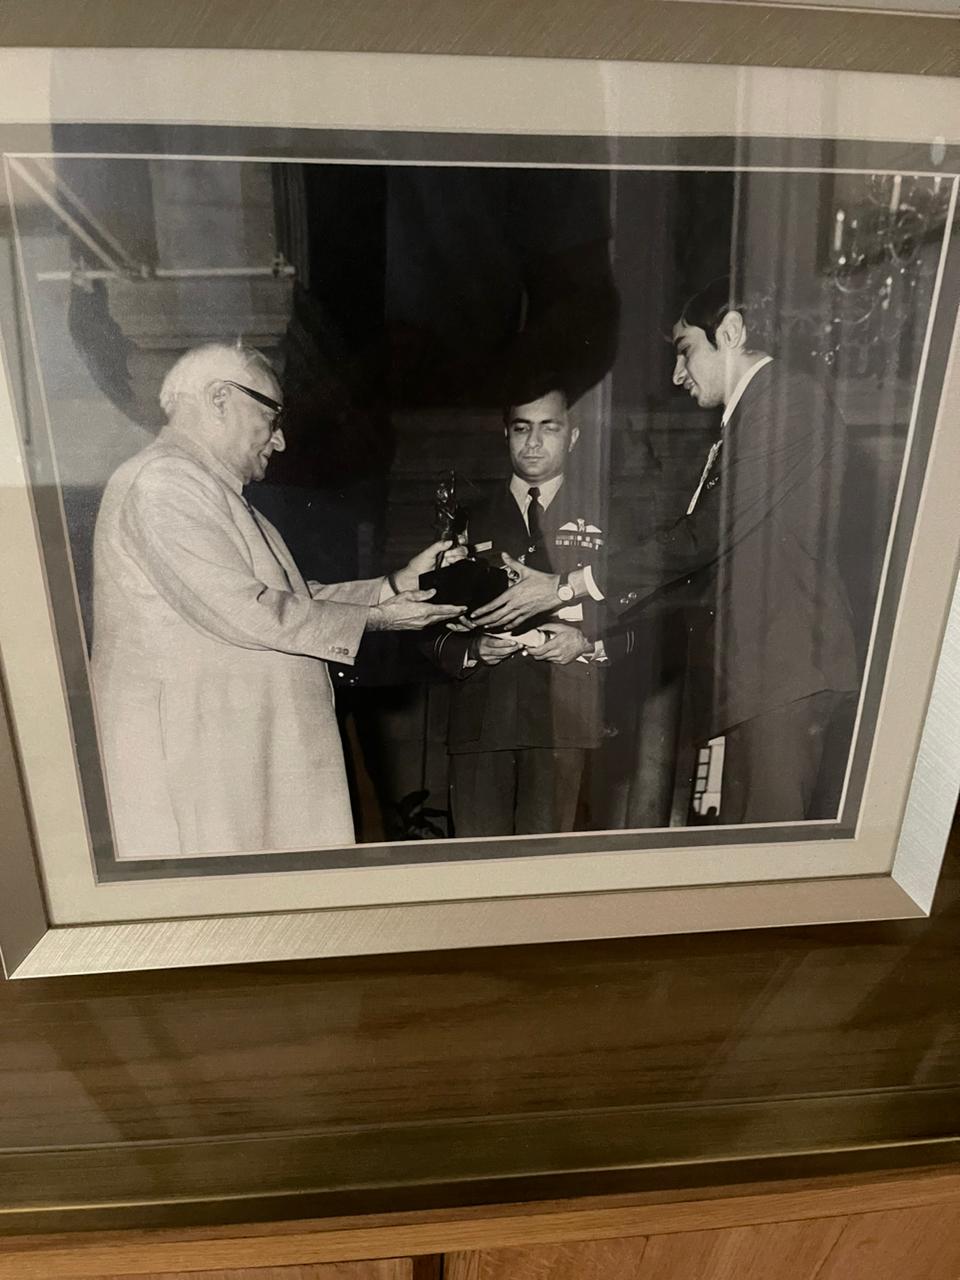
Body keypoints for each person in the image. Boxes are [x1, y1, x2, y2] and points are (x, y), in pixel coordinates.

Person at [469, 279, 860, 824]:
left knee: (773, 862)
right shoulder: (752, 416)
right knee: (751, 857)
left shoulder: (787, 404)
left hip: (787, 666)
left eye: (685, 351)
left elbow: (701, 539)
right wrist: (584, 619)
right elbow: (700, 562)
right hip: (761, 674)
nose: (678, 376)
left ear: (731, 331)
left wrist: (565, 586)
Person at [91, 342, 465, 859]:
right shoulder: (163, 483)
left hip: (234, 756)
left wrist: (393, 587)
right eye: (271, 415)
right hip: (202, 765)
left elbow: (288, 599)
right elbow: (246, 609)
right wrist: (379, 620)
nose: (281, 440)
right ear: (220, 398)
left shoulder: (210, 490)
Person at [428, 389, 613, 836]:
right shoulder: (464, 518)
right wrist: (473, 649)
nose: (533, 441)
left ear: (572, 437)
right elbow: (425, 623)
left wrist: (586, 640)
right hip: (480, 722)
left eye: (549, 427)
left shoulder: (608, 514)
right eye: (521, 428)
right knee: (477, 872)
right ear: (505, 434)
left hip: (563, 722)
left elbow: (640, 616)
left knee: (548, 877)